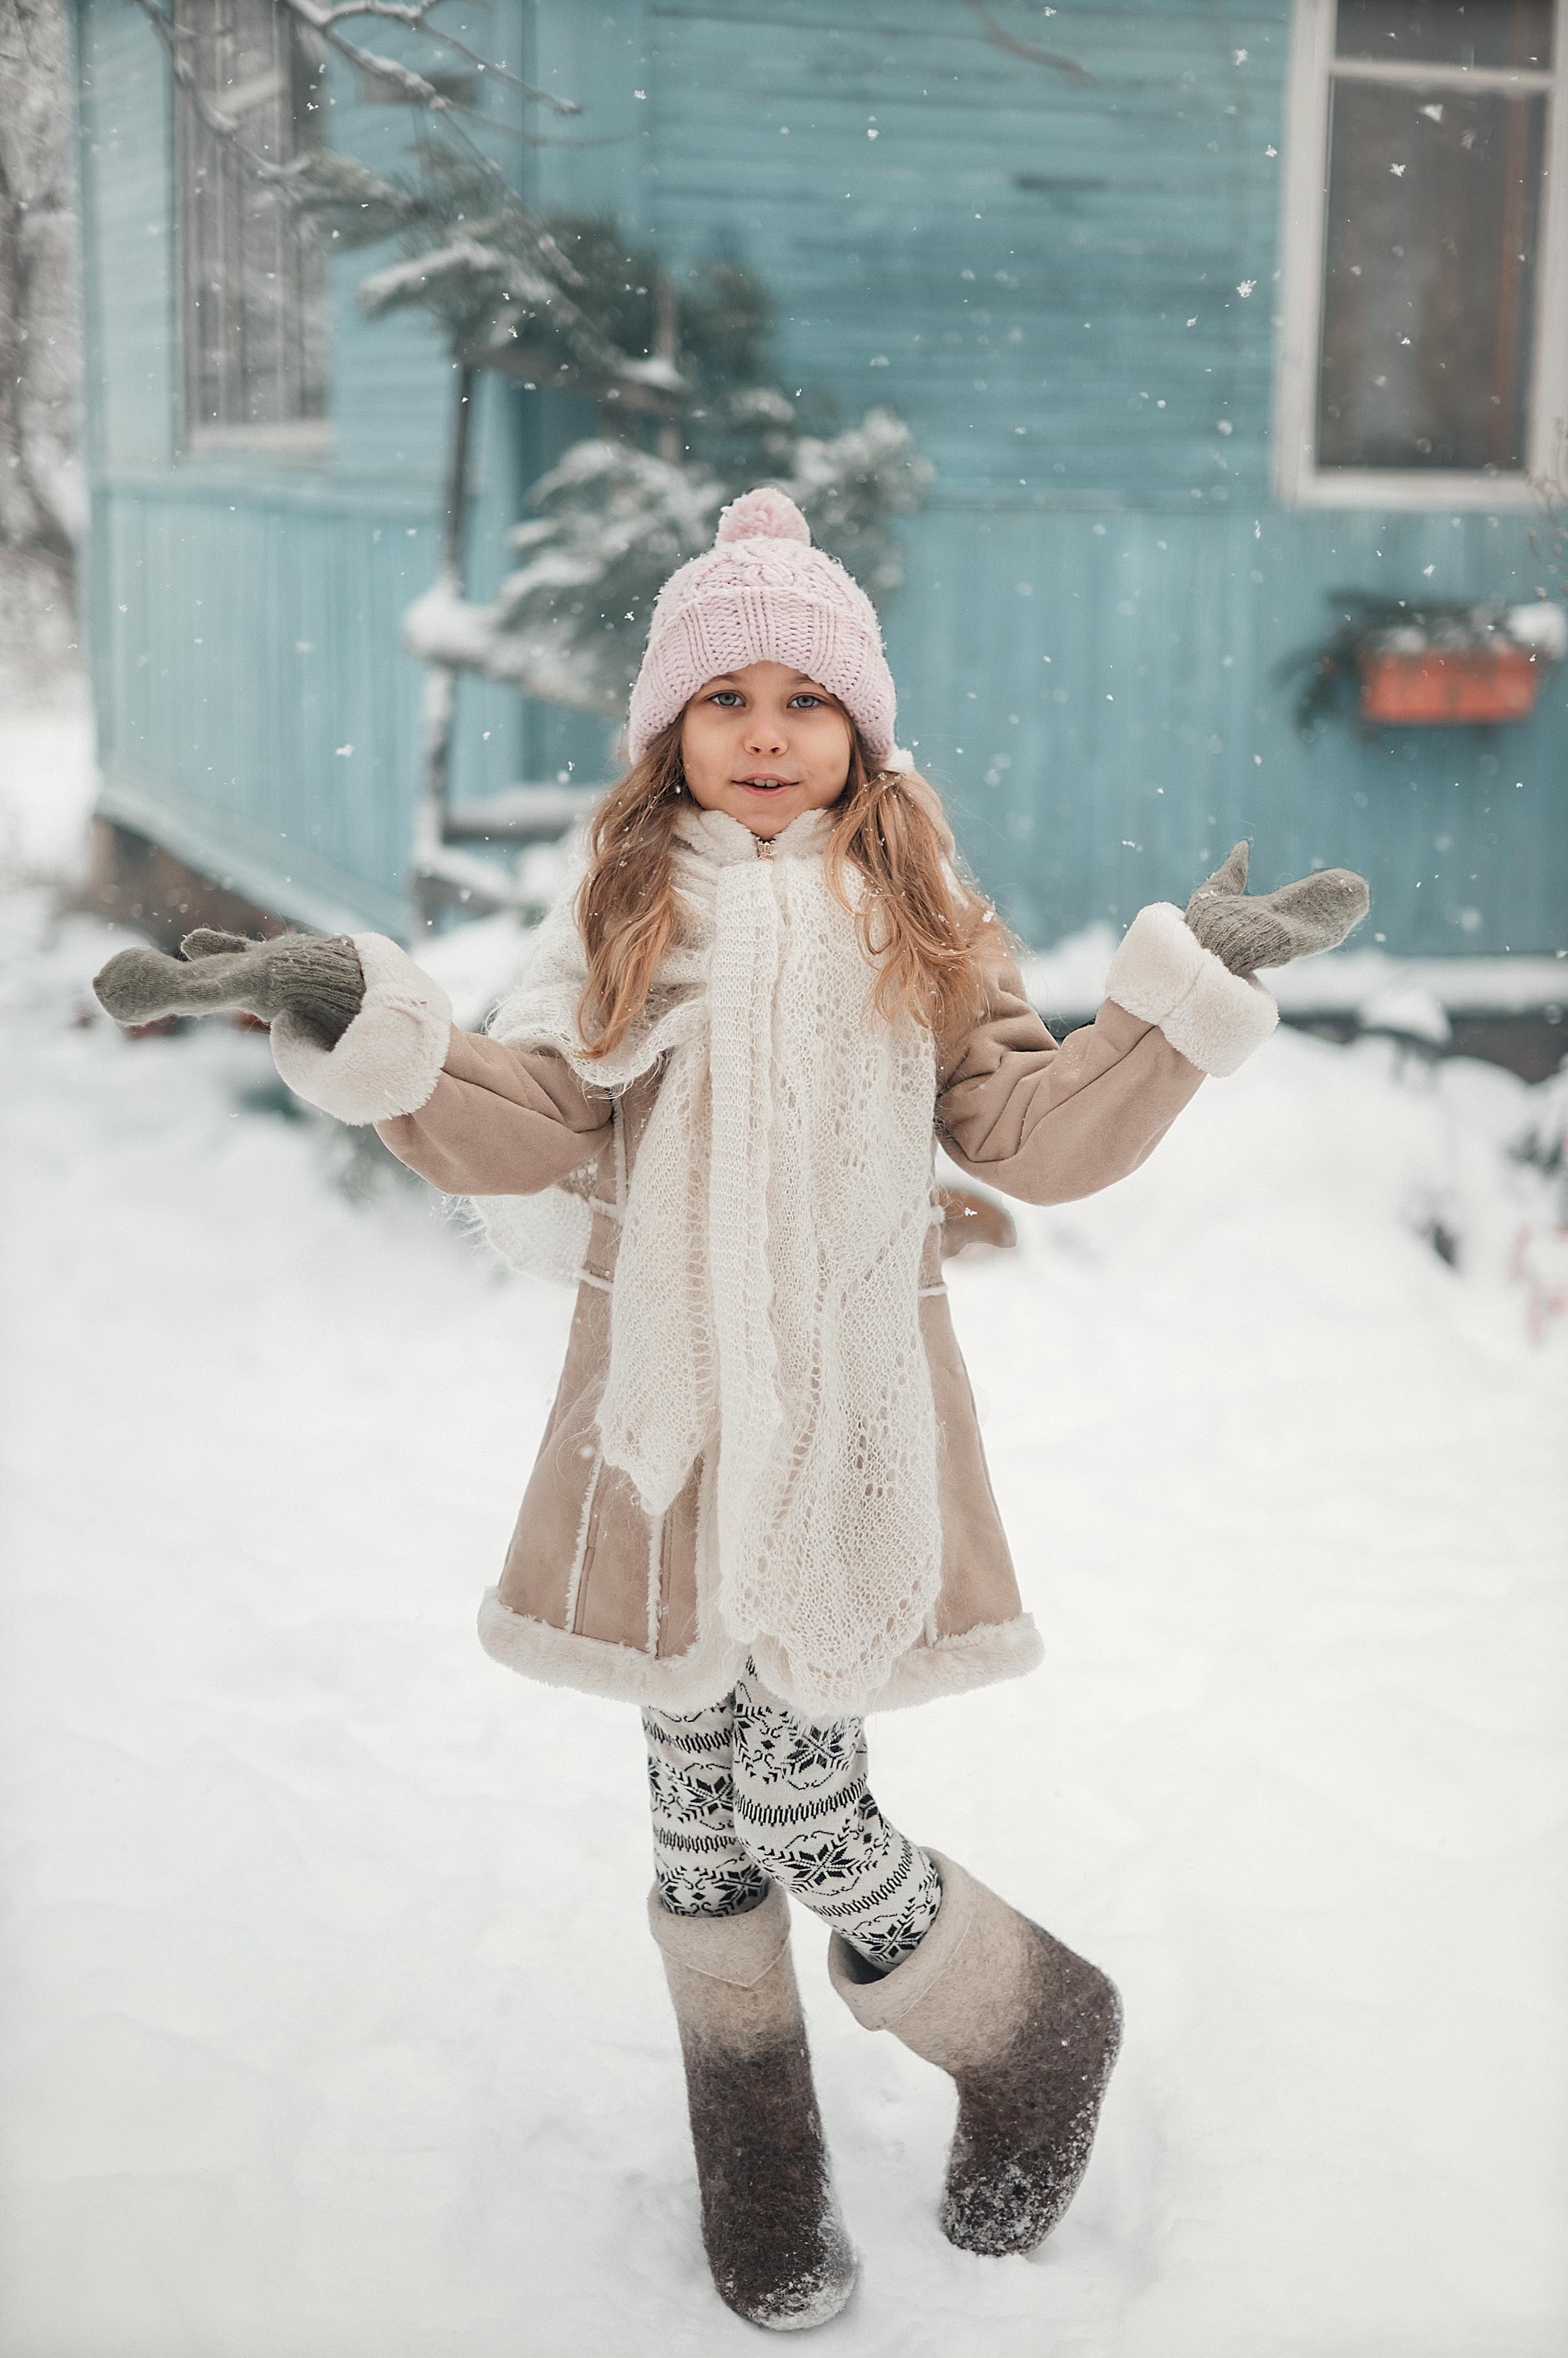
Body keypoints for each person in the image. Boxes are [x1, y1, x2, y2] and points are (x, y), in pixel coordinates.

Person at [94, 487, 1369, 2333]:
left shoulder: (917, 913)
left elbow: (1023, 1127)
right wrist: (378, 1031)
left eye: (803, 698)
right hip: (666, 1436)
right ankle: (758, 2158)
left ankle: (1028, 2022)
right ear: (669, 734)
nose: (764, 733)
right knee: (695, 1801)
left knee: (798, 1786)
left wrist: (1175, 1012)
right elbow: (532, 1109)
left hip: (846, 1432)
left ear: (859, 729)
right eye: (724, 699)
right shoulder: (623, 910)